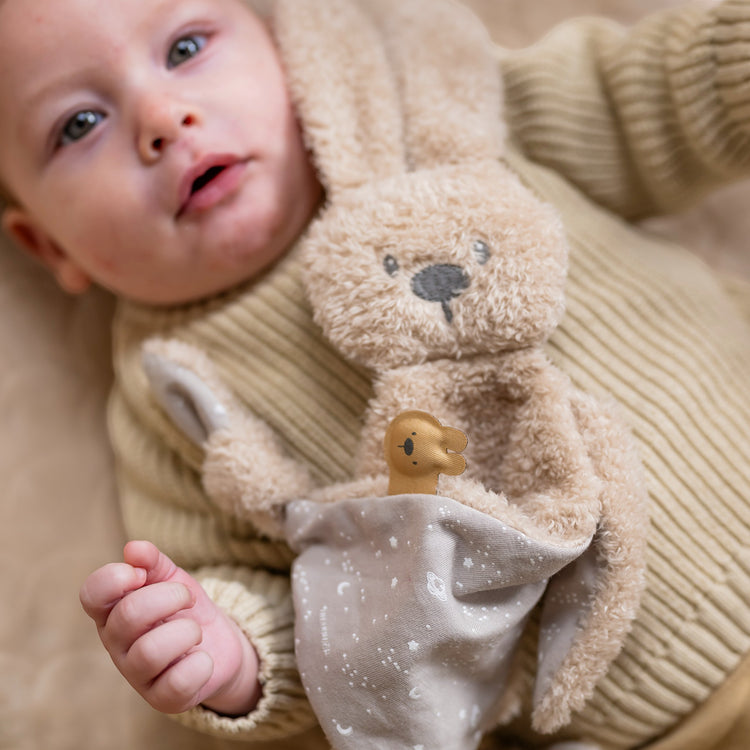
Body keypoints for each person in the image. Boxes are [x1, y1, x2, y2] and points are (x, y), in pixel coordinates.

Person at [0, 0, 748, 746]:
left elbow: (639, 100)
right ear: (49, 247)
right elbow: (313, 619)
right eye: (78, 125)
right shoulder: (172, 393)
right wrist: (226, 651)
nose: (163, 117)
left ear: (277, 42)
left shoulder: (435, 116)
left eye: (187, 46)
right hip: (644, 728)